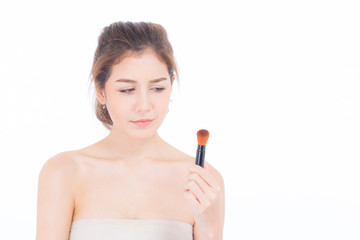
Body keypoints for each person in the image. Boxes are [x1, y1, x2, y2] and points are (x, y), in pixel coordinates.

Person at [36, 21, 225, 240]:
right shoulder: (64, 172)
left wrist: (211, 227)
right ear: (101, 92)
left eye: (157, 88)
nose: (144, 105)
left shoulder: (203, 182)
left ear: (171, 85)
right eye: (127, 89)